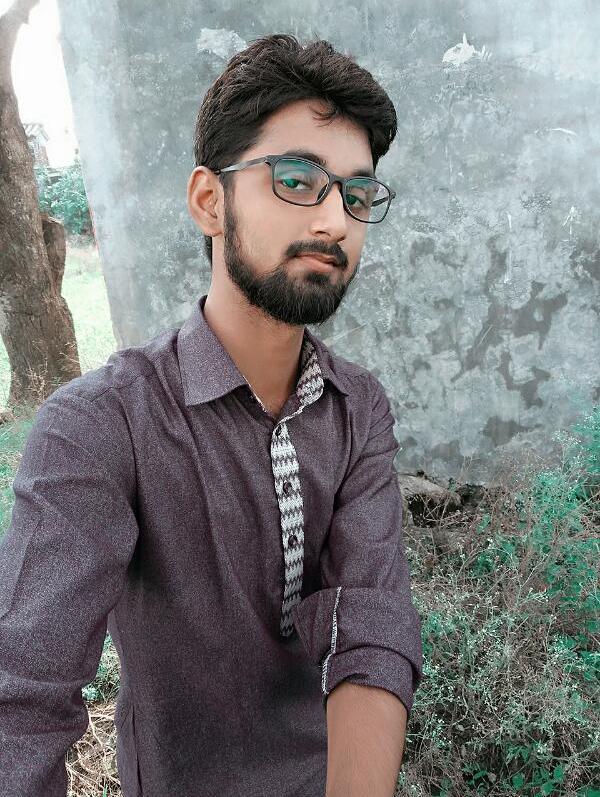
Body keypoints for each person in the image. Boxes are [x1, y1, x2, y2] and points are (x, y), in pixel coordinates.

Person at [0, 33, 423, 797]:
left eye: (357, 195)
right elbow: (20, 701)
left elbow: (371, 632)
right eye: (298, 179)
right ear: (208, 201)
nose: (336, 220)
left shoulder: (357, 407)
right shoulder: (101, 425)